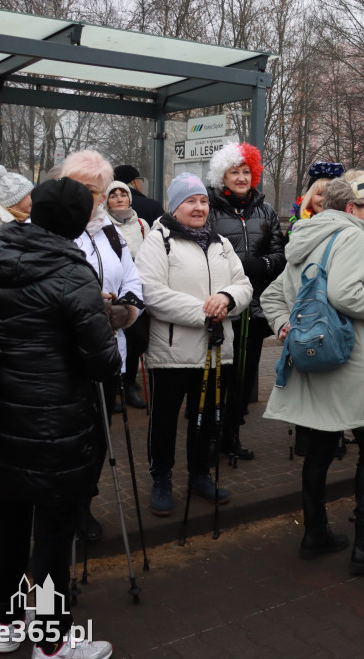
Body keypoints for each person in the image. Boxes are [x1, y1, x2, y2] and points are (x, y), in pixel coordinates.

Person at [0, 177, 120, 659]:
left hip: (1, 415)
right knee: (53, 533)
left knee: (7, 519)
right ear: (78, 224)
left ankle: (8, 621)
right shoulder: (72, 272)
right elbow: (103, 362)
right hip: (55, 425)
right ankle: (52, 641)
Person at [262, 177, 364, 574]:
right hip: (355, 362)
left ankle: (315, 533)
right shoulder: (350, 237)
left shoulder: (305, 237)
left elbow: (272, 296)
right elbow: (345, 294)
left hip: (317, 362)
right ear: (350, 209)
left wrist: (285, 326)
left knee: (320, 449)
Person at [136, 173, 253, 515]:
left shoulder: (221, 243)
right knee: (165, 420)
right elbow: (152, 293)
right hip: (172, 353)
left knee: (208, 419)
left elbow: (244, 285)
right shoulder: (158, 241)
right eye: (190, 201)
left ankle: (200, 474)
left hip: (216, 352)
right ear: (175, 207)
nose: (199, 207)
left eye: (203, 201)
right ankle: (161, 477)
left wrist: (227, 298)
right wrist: (206, 312)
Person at [61, 150, 144, 542]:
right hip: (67, 360)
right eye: (83, 188)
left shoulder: (111, 232)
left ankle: (84, 504)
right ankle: (62, 508)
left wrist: (125, 310)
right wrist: (93, 305)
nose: (90, 197)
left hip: (110, 353)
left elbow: (133, 279)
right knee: (70, 439)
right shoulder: (54, 230)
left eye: (97, 190)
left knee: (98, 436)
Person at [206, 142, 287, 461]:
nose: (241, 178)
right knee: (219, 377)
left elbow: (280, 254)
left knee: (244, 378)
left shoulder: (266, 210)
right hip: (223, 308)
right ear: (222, 176)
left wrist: (262, 264)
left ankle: (232, 435)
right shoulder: (211, 209)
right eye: (234, 172)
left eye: (246, 172)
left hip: (254, 308)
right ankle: (210, 436)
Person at [105, 179, 151, 410]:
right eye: (113, 195)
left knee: (139, 339)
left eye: (123, 194)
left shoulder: (142, 224)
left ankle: (129, 383)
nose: (119, 199)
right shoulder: (104, 225)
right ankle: (114, 387)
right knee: (116, 340)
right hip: (115, 289)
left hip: (138, 289)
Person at [287, 162, 343, 236]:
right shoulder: (296, 226)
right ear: (310, 197)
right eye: (320, 194)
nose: (325, 199)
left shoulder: (345, 227)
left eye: (329, 194)